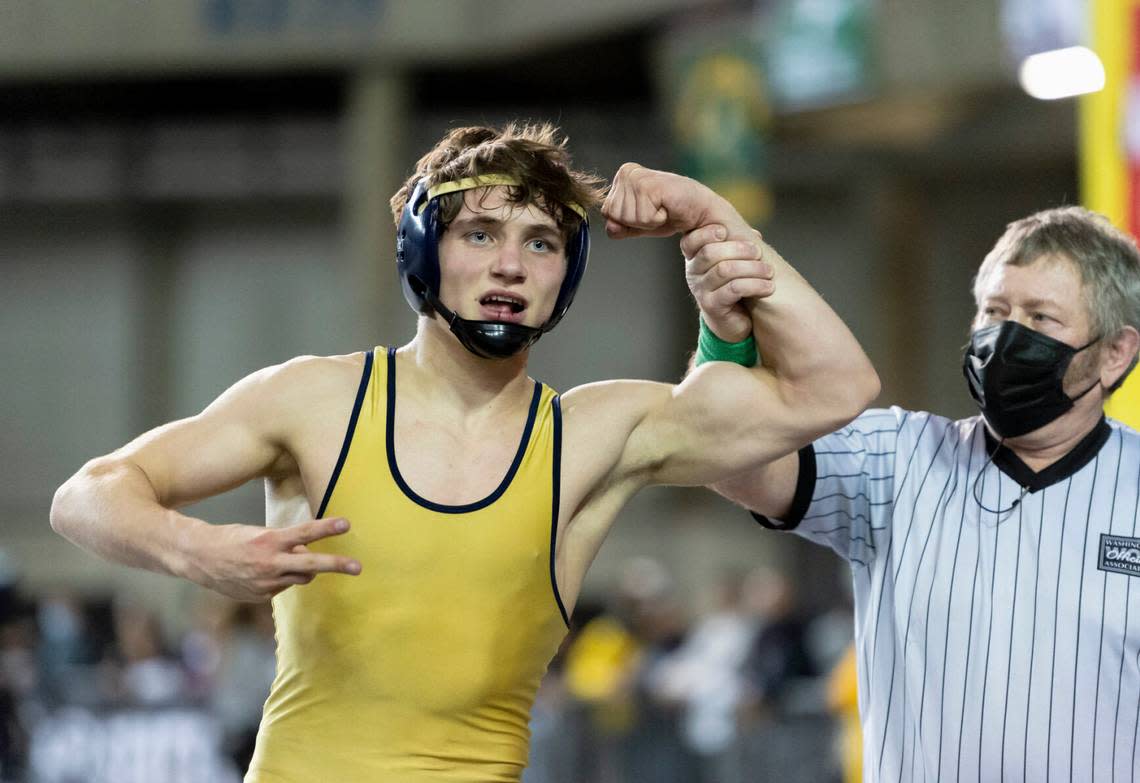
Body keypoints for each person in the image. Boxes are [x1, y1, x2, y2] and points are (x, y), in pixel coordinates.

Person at [49, 122, 879, 782]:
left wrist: (715, 219)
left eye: (542, 243)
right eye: (480, 234)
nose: (510, 265)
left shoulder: (597, 433)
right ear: (421, 250)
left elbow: (835, 387)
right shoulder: (316, 399)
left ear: (568, 271)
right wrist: (198, 548)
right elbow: (89, 493)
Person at [694, 205, 1140, 782]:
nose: (1006, 336)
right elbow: (732, 458)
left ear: (1114, 353)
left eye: (1040, 318)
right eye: (994, 311)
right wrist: (724, 340)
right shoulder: (898, 458)